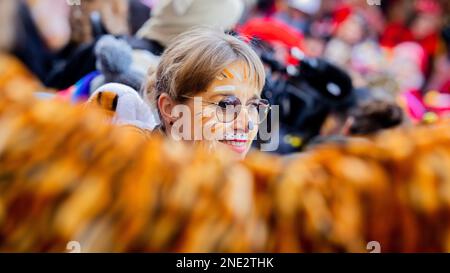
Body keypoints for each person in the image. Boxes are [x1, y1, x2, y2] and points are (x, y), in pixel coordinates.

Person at [88, 28, 268, 159]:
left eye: (253, 106)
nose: (247, 124)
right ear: (170, 109)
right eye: (226, 105)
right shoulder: (126, 172)